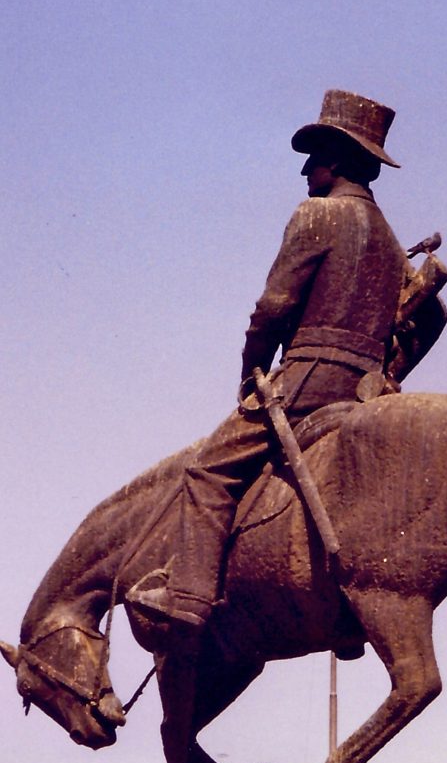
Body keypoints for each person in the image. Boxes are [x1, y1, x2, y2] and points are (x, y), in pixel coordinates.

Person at [127, 89, 413, 637]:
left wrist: (251, 369)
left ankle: (188, 595)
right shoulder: (390, 241)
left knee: (206, 471)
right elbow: (431, 319)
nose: (307, 169)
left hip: (306, 378)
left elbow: (273, 308)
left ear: (342, 160)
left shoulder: (317, 215)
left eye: (318, 156)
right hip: (363, 389)